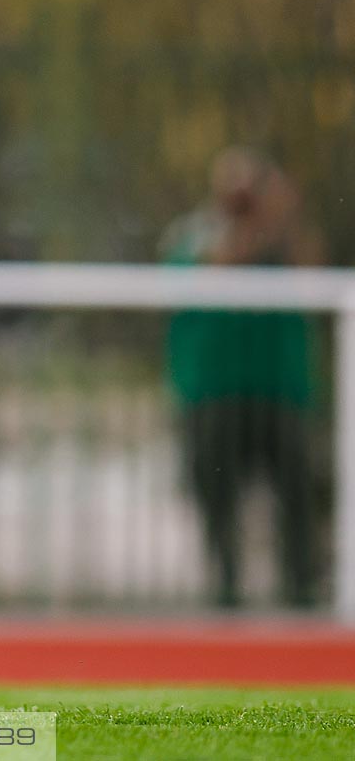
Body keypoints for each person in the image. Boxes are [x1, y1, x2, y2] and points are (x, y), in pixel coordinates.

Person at [162, 147, 323, 608]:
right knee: (217, 495)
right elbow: (209, 273)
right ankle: (225, 588)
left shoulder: (287, 238)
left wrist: (283, 220)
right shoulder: (194, 234)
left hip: (280, 386)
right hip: (213, 388)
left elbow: (313, 280)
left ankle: (302, 588)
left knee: (295, 491)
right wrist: (254, 229)